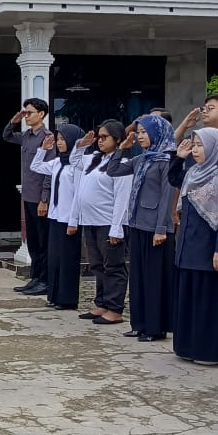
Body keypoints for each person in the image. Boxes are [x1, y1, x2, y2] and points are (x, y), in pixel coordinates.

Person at [167, 127, 218, 365]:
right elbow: (173, 178)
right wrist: (177, 157)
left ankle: (210, 351)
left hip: (210, 251)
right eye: (195, 145)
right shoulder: (192, 174)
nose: (196, 150)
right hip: (189, 249)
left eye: (201, 145)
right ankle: (188, 346)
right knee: (190, 301)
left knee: (209, 302)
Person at [107, 112, 176, 341]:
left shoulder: (165, 160)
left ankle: (155, 327)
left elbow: (167, 197)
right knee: (138, 277)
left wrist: (161, 228)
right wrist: (123, 148)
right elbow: (113, 170)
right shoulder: (143, 158)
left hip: (155, 228)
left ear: (157, 133)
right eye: (139, 132)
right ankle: (139, 323)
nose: (140, 136)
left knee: (154, 278)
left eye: (145, 132)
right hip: (137, 223)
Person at [73, 120, 129, 325]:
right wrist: (83, 144)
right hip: (91, 221)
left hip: (108, 222)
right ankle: (102, 302)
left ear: (118, 139)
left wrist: (117, 228)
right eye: (99, 136)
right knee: (97, 265)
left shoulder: (122, 164)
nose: (100, 141)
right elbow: (75, 160)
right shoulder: (95, 159)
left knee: (113, 265)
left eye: (105, 137)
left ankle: (115, 308)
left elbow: (122, 198)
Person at [32, 124, 88, 310]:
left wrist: (73, 221)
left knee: (68, 260)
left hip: (69, 219)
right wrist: (43, 149)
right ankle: (54, 296)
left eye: (63, 139)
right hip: (55, 217)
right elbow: (36, 166)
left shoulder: (77, 166)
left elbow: (78, 194)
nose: (60, 143)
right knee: (54, 258)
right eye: (58, 139)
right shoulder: (57, 162)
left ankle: (67, 299)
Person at [3, 99, 52, 296]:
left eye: (30, 112)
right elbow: (7, 136)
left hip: (40, 197)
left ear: (41, 114)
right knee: (32, 241)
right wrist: (13, 121)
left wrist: (45, 199)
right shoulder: (27, 135)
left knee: (43, 241)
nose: (27, 116)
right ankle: (36, 277)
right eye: (25, 112)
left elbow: (49, 171)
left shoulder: (47, 137)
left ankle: (45, 280)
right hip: (28, 196)